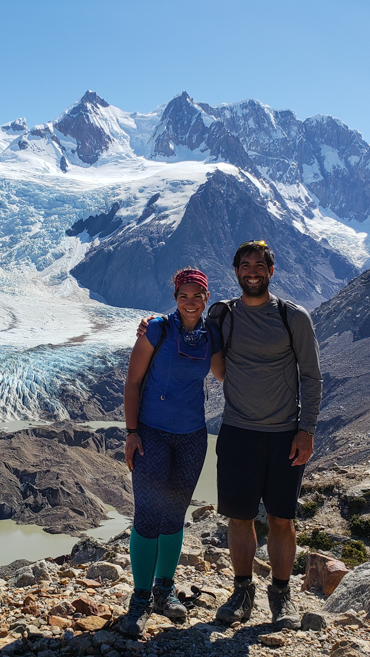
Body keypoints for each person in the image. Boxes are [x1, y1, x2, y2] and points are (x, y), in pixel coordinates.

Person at [137, 240, 321, 630]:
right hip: (237, 431)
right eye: (245, 265)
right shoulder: (224, 314)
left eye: (259, 265)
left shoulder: (294, 317)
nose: (252, 271)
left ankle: (281, 595)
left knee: (281, 520)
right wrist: (150, 325)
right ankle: (242, 592)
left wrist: (307, 429)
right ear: (236, 272)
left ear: (271, 271)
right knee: (239, 518)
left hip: (284, 432)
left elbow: (311, 375)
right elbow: (185, 323)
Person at [118, 267, 225, 637]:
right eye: (184, 295)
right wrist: (132, 432)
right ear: (175, 297)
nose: (191, 302)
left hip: (192, 436)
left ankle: (165, 590)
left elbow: (226, 374)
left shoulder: (211, 335)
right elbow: (132, 382)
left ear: (206, 298)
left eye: (197, 296)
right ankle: (141, 599)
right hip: (152, 434)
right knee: (147, 515)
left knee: (175, 515)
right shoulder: (157, 331)